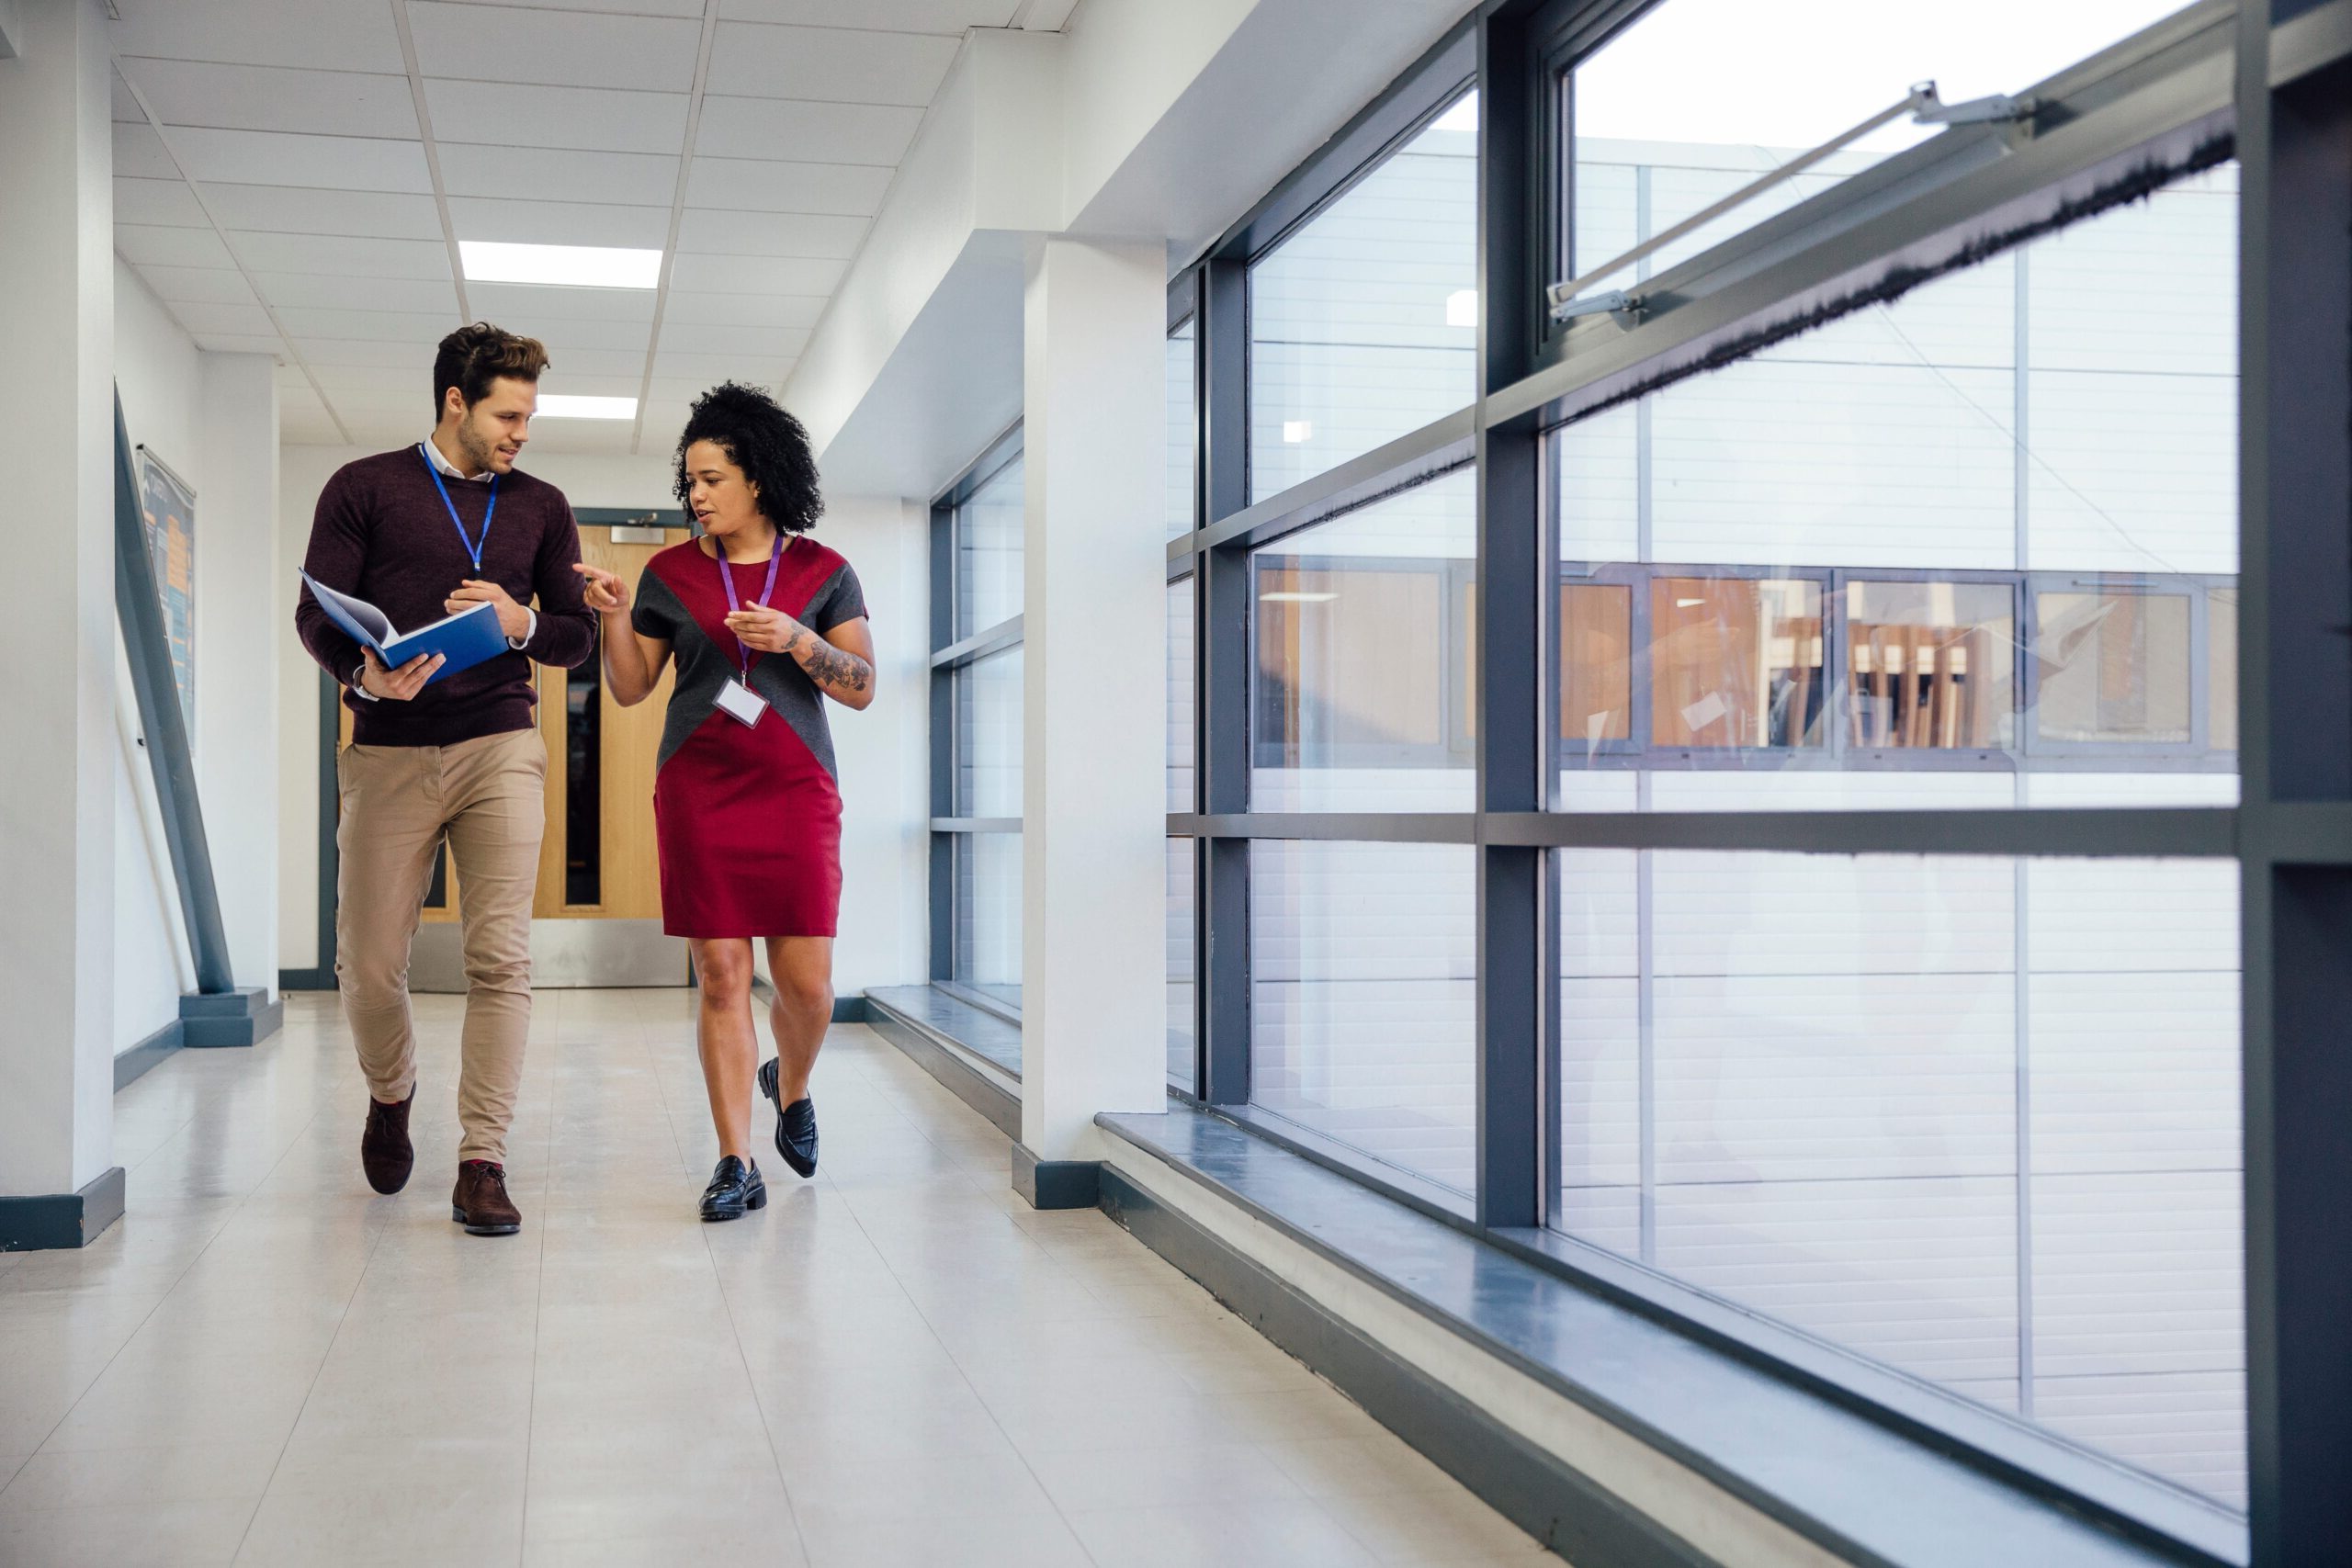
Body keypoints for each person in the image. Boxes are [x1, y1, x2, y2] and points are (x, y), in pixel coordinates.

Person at [294, 322, 595, 1237]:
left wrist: (519, 622)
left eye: (530, 416)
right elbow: (315, 616)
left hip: (500, 744)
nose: (521, 432)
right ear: (454, 403)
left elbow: (575, 637)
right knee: (370, 966)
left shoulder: (541, 504)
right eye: (508, 414)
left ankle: (482, 1159)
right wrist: (363, 672)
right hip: (387, 749)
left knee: (500, 959)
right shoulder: (363, 488)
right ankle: (392, 1092)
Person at [575, 383, 875, 1221]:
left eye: (711, 478)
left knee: (807, 985)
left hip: (796, 789)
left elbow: (862, 687)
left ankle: (794, 1081)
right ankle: (736, 1158)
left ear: (758, 477)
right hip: (700, 787)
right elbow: (633, 691)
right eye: (690, 480)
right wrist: (613, 618)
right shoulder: (668, 573)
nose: (696, 495)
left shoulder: (823, 571)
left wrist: (800, 641)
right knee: (721, 976)